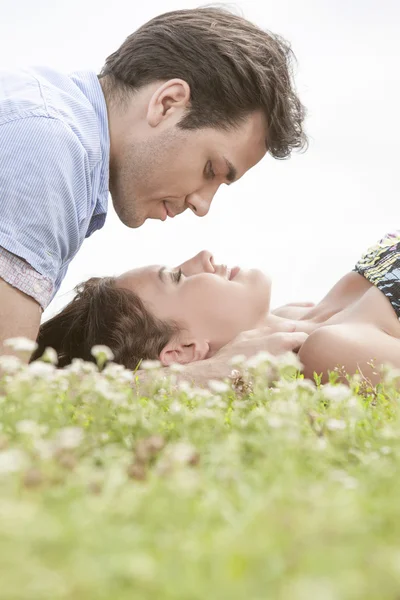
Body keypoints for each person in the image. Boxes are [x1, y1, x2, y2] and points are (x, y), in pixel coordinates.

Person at [0, 7, 306, 378]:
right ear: (167, 103)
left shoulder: (51, 127)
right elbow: (6, 399)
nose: (202, 205)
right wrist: (204, 375)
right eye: (211, 170)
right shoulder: (47, 150)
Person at [32, 232, 400, 386]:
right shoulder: (329, 349)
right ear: (183, 350)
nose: (202, 257)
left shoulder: (302, 313)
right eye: (176, 278)